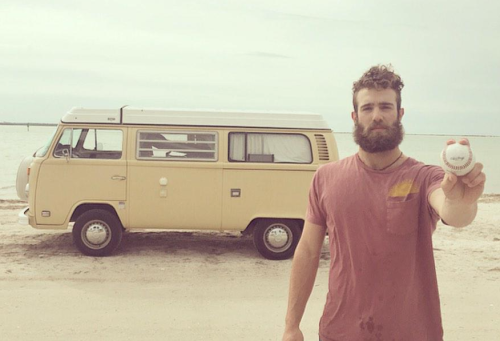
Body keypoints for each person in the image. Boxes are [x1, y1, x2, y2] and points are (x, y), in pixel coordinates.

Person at [282, 65, 487, 341]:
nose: (376, 116)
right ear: (354, 117)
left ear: (400, 114)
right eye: (367, 108)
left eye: (386, 107)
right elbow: (307, 250)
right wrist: (291, 325)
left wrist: (463, 199)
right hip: (339, 332)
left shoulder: (424, 177)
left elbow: (454, 211)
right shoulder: (325, 178)